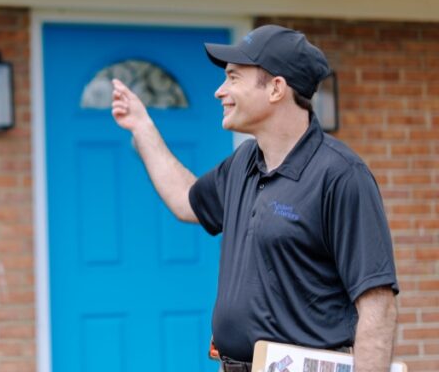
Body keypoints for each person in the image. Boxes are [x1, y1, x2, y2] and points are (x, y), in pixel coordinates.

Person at [111, 25, 398, 372]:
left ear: (276, 88)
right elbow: (186, 200)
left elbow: (377, 304)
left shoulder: (340, 175)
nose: (220, 91)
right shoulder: (244, 163)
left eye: (233, 78)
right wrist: (143, 128)